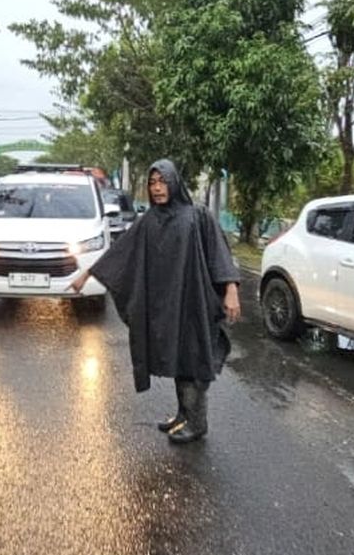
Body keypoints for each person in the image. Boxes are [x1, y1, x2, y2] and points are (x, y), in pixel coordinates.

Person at [69, 159, 241, 444]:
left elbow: (219, 254)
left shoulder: (198, 216)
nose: (157, 188)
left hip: (195, 302)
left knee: (193, 358)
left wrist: (231, 290)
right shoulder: (149, 221)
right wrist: (86, 275)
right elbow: (120, 252)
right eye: (153, 183)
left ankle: (197, 423)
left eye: (162, 181)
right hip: (169, 305)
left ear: (174, 183)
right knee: (178, 357)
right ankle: (183, 415)